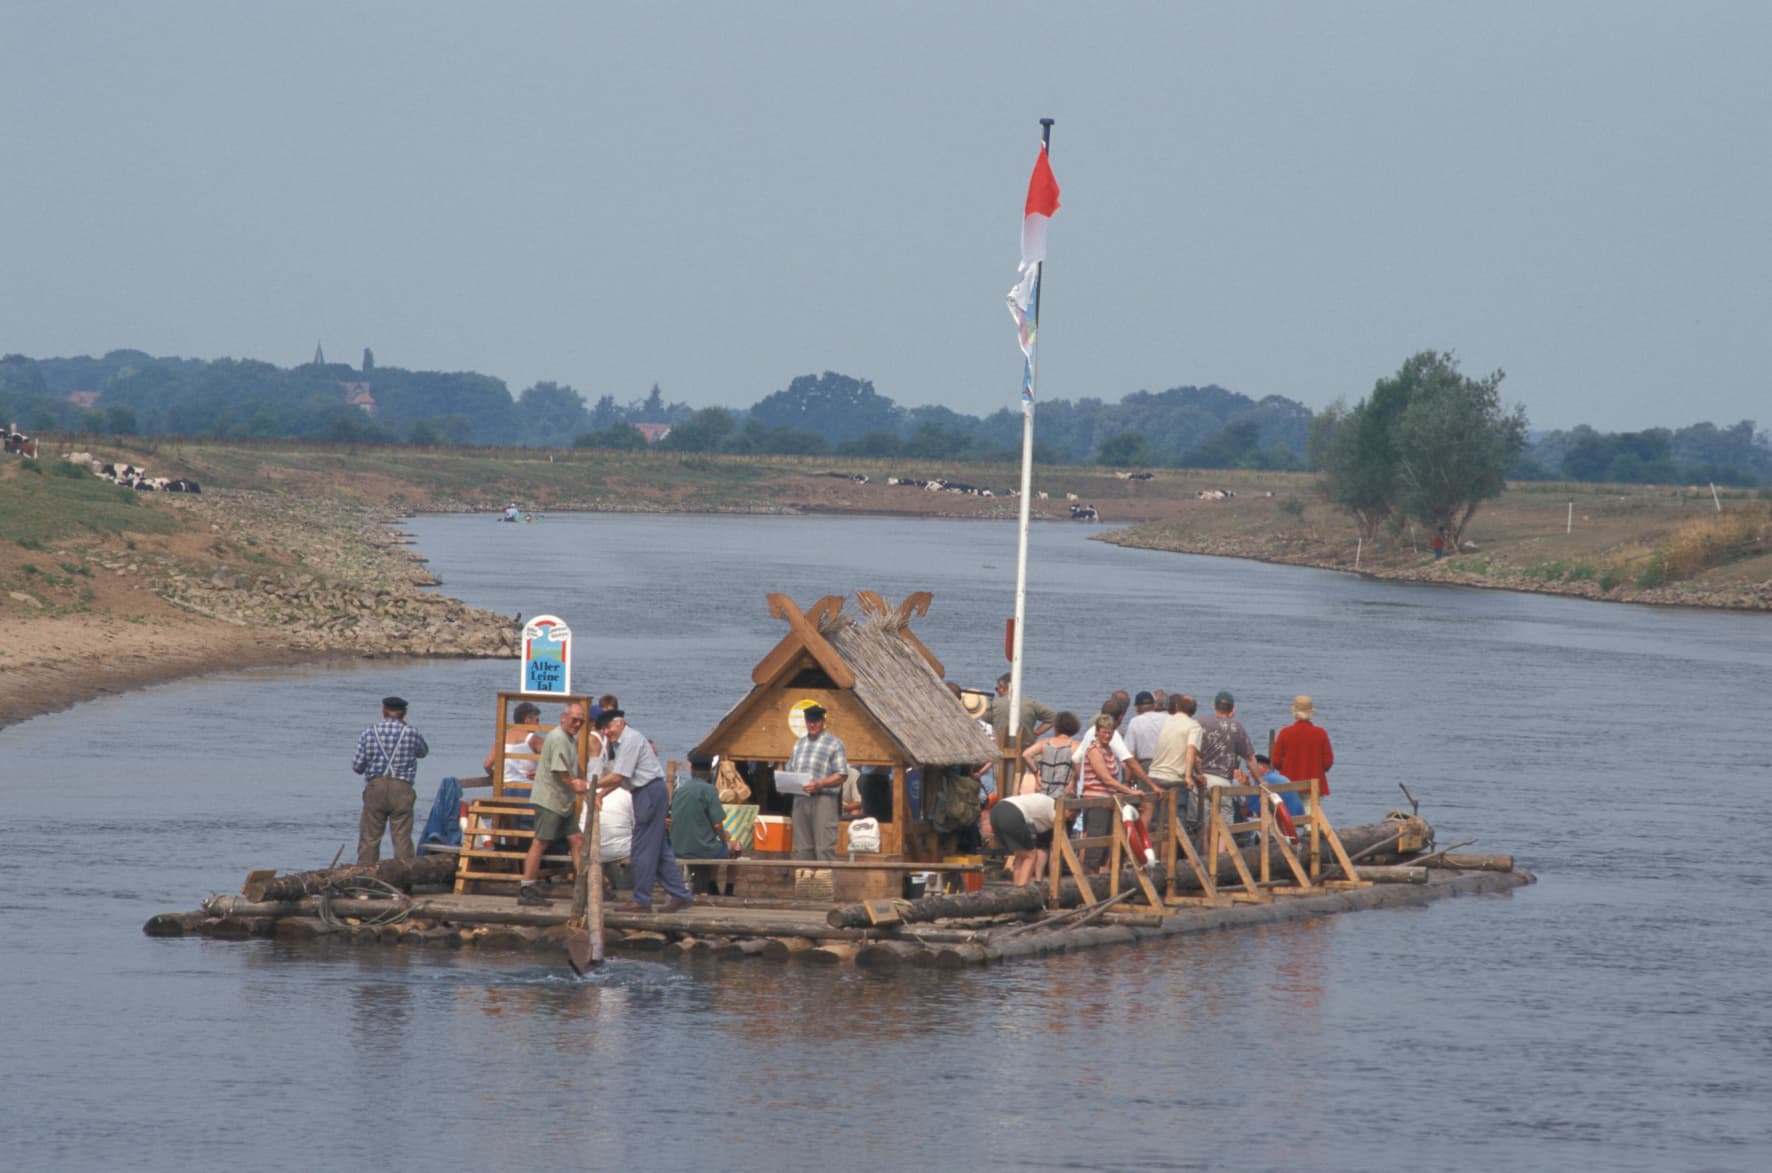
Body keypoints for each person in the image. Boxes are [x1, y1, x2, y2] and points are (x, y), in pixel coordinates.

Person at [593, 709, 694, 912]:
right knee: (659, 849)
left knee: (641, 848)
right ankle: (680, 894)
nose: (606, 732)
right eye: (603, 729)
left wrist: (590, 784)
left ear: (620, 723)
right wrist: (602, 794)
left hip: (648, 792)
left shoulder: (630, 740)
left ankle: (642, 899)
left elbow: (619, 776)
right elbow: (622, 777)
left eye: (608, 727)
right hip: (649, 791)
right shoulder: (624, 742)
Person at [516, 702, 594, 907]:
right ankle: (526, 888)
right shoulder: (558, 738)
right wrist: (577, 786)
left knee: (577, 839)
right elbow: (562, 774)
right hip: (550, 799)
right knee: (540, 842)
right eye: (574, 720)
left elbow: (574, 768)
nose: (577, 724)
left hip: (563, 801)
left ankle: (583, 885)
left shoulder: (569, 739)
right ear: (563, 717)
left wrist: (584, 784)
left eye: (581, 721)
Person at [351, 695, 429, 867]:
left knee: (370, 837)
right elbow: (423, 752)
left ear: (384, 711)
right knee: (402, 837)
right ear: (404, 713)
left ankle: (365, 876)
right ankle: (404, 877)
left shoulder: (369, 732)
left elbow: (357, 766)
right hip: (402, 788)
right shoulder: (411, 733)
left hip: (376, 786)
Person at [1077, 714, 1146, 872]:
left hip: (1109, 801)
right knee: (1095, 846)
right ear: (1097, 731)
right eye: (1104, 732)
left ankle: (1102, 878)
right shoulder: (1094, 750)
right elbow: (1106, 779)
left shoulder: (1109, 750)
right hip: (1096, 801)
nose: (1107, 736)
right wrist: (1130, 791)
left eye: (1110, 732)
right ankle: (1089, 879)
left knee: (1105, 846)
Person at [1198, 691, 1261, 846]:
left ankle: (1206, 854)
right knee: (1224, 825)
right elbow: (1250, 758)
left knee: (1204, 823)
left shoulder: (1201, 723)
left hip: (1202, 780)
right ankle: (1220, 855)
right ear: (1232, 709)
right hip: (1222, 781)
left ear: (1214, 706)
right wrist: (1260, 780)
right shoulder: (1236, 727)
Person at [788, 704, 849, 862]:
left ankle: (825, 879)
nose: (812, 725)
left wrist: (819, 783)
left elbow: (841, 774)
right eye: (809, 721)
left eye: (816, 721)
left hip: (823, 799)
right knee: (802, 849)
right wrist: (785, 782)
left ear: (823, 722)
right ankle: (804, 878)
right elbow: (790, 769)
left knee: (824, 848)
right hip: (800, 799)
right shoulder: (799, 744)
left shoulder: (834, 743)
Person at [672, 755, 738, 895]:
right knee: (736, 848)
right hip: (702, 850)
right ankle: (727, 889)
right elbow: (717, 824)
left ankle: (712, 885)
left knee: (716, 845)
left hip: (678, 848)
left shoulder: (679, 791)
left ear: (691, 771)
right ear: (710, 772)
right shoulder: (710, 790)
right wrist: (724, 837)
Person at [1148, 693, 1204, 833]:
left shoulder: (1167, 721)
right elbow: (1191, 749)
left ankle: (1155, 847)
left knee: (1157, 823)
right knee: (1175, 824)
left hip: (1155, 775)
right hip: (1175, 778)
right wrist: (1189, 776)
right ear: (1194, 710)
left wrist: (1197, 773)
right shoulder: (1193, 726)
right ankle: (1172, 848)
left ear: (1178, 707)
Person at [1271, 694, 1333, 801]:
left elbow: (1276, 762)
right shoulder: (1321, 733)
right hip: (1313, 787)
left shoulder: (1285, 733)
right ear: (1311, 713)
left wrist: (1288, 766)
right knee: (1312, 812)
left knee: (1292, 812)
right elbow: (1327, 763)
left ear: (1294, 713)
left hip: (1289, 785)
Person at [989, 790, 1058, 886]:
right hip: (1012, 813)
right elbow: (1060, 836)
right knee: (1031, 855)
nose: (1072, 818)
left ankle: (1016, 888)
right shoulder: (1056, 810)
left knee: (1021, 855)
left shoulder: (1046, 804)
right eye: (1072, 815)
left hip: (996, 811)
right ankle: (1022, 889)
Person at [1019, 710, 1082, 798]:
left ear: (1056, 727)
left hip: (1044, 790)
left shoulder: (1045, 742)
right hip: (1064, 790)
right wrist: (1073, 781)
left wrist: (1036, 773)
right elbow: (1079, 766)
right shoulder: (1075, 745)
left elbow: (1026, 754)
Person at [987, 671, 1056, 749]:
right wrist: (1036, 733)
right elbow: (1054, 717)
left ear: (1002, 688)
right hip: (1026, 748)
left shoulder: (994, 704)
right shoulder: (1031, 703)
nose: (997, 692)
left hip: (999, 747)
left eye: (997, 689)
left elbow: (980, 722)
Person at [484, 700, 543, 787]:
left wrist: (496, 776)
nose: (538, 724)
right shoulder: (534, 739)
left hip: (505, 788)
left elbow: (487, 765)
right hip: (528, 787)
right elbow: (552, 762)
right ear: (527, 720)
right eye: (536, 720)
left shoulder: (503, 738)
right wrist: (539, 772)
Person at [1122, 691, 1166, 776]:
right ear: (1154, 705)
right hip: (1167, 765)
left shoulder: (1135, 722)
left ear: (1136, 708)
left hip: (1145, 767)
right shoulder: (1168, 719)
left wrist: (1127, 779)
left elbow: (1130, 754)